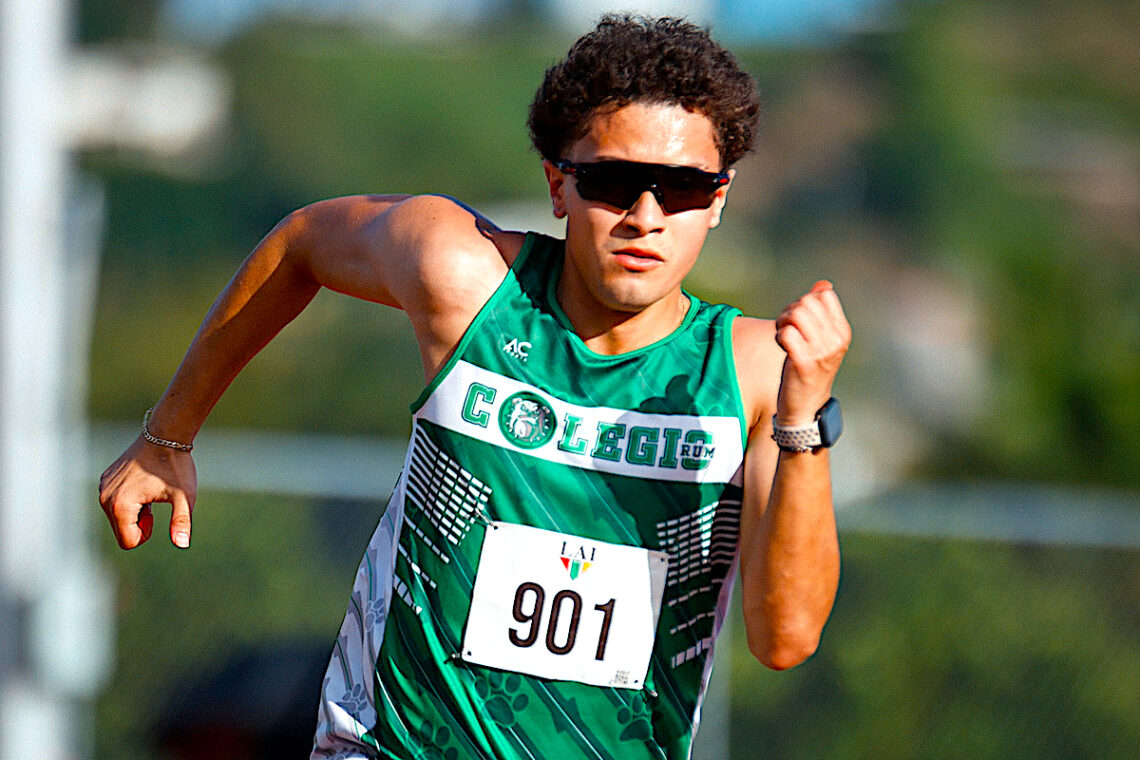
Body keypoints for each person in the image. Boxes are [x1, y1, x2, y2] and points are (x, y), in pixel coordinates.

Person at [99, 14, 851, 760]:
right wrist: (168, 435)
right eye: (615, 182)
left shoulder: (755, 373)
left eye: (683, 189)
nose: (645, 218)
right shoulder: (464, 277)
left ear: (718, 200)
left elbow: (785, 638)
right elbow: (303, 243)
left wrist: (802, 423)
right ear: (559, 184)